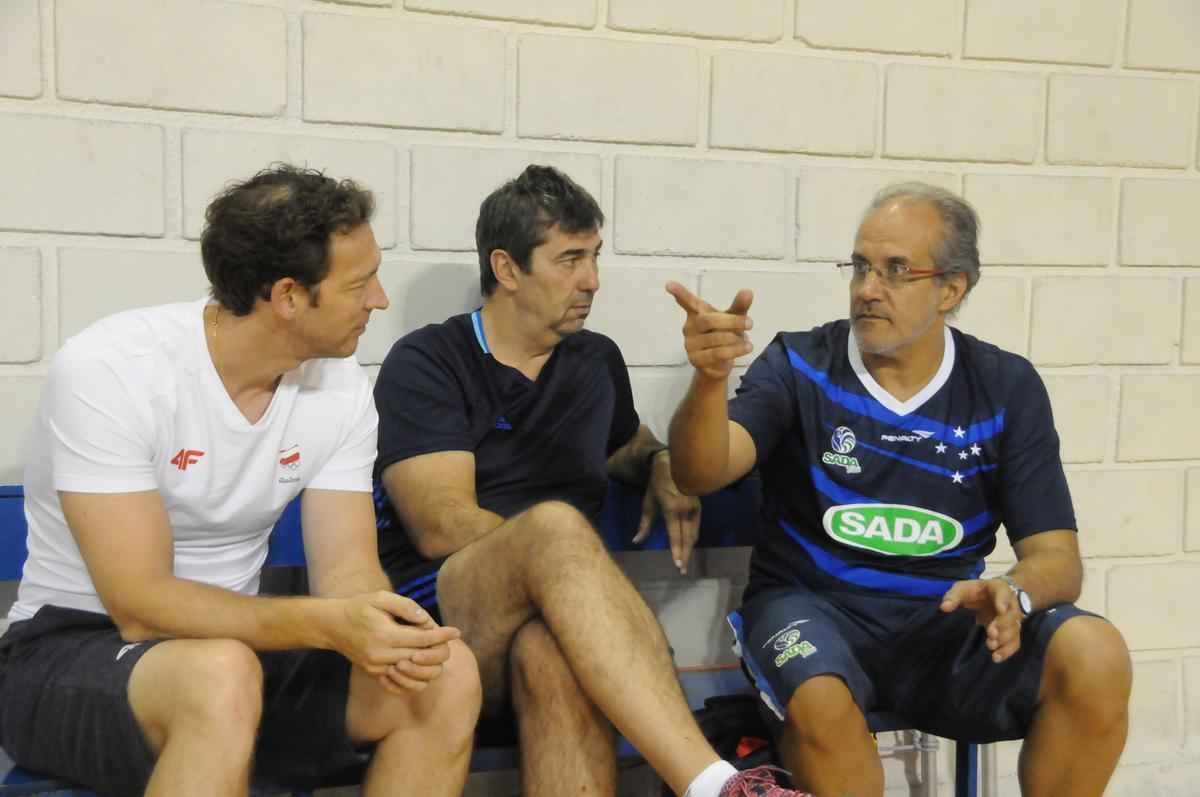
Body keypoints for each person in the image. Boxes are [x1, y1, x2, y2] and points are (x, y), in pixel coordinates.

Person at [0, 165, 481, 797]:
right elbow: (140, 607)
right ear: (287, 297)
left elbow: (347, 574)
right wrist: (331, 624)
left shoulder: (340, 386)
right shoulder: (112, 370)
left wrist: (383, 628)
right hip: (72, 648)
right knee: (219, 677)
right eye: (359, 284)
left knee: (444, 674)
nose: (380, 300)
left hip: (239, 653)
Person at [666, 182, 1132, 797]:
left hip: (943, 621)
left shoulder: (1005, 386)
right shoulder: (799, 363)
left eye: (895, 270)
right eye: (860, 266)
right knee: (820, 698)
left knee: (1096, 653)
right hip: (811, 607)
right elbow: (701, 471)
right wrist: (709, 379)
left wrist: (1015, 593)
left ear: (951, 290)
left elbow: (1058, 559)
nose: (867, 287)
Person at [373, 164, 813, 797]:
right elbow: (439, 524)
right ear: (506, 268)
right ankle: (715, 784)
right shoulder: (429, 360)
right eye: (570, 260)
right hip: (441, 622)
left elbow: (623, 443)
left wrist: (657, 461)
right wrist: (560, 555)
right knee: (556, 529)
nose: (592, 281)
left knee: (552, 654)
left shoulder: (594, 359)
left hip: (553, 623)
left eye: (595, 256)